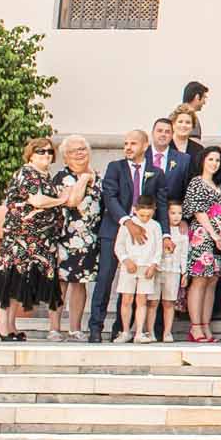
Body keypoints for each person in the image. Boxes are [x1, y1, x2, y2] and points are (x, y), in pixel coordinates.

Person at [88, 131, 163, 343]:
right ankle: (95, 327)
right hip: (115, 230)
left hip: (144, 237)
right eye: (126, 143)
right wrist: (128, 223)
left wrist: (164, 234)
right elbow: (110, 197)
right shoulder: (115, 167)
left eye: (133, 143)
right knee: (105, 279)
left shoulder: (155, 172)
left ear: (145, 145)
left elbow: (162, 204)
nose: (128, 147)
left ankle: (122, 329)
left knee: (132, 282)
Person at [0, 137, 64, 341]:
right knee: (11, 280)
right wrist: (61, 200)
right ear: (31, 154)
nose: (47, 155)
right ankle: (2, 325)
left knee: (21, 282)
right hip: (21, 238)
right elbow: (37, 200)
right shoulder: (27, 173)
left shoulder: (45, 176)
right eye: (41, 151)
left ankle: (11, 325)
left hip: (39, 239)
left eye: (49, 151)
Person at [181, 146, 221, 344]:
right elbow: (198, 211)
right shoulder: (197, 182)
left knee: (212, 281)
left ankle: (206, 325)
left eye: (217, 160)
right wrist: (213, 233)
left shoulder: (219, 185)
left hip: (219, 239)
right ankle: (195, 327)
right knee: (200, 280)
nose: (214, 163)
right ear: (203, 161)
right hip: (203, 236)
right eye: (211, 159)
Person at [49, 137, 99, 343]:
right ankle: (54, 328)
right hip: (66, 238)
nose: (80, 153)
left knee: (81, 284)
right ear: (65, 158)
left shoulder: (98, 175)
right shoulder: (63, 177)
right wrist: (84, 179)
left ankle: (75, 328)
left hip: (89, 239)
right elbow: (72, 201)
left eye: (83, 149)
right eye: (74, 151)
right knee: (61, 284)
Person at [112, 196, 164, 344]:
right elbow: (119, 245)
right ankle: (126, 331)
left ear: (154, 211)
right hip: (129, 267)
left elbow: (158, 248)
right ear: (135, 210)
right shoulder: (127, 225)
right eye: (142, 215)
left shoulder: (155, 226)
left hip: (146, 267)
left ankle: (140, 332)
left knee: (142, 300)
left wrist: (154, 264)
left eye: (148, 215)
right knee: (126, 299)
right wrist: (125, 260)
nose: (145, 218)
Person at [156, 202, 188, 341]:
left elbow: (184, 254)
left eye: (179, 213)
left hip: (174, 270)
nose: (176, 217)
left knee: (169, 302)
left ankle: (167, 332)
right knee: (153, 302)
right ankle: (150, 330)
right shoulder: (160, 230)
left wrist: (184, 272)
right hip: (159, 269)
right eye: (173, 213)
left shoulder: (183, 233)